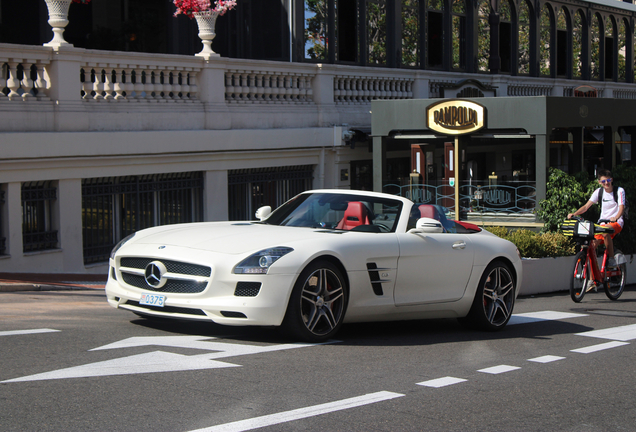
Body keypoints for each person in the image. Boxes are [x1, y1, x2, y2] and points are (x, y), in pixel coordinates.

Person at [567, 169, 625, 268]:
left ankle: (611, 259)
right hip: (601, 224)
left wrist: (615, 217)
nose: (606, 183)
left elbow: (621, 208)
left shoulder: (619, 191)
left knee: (606, 232)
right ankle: (591, 280)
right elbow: (586, 207)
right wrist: (574, 214)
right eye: (603, 181)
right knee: (591, 247)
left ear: (612, 179)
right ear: (599, 182)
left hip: (616, 223)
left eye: (608, 180)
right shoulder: (599, 192)